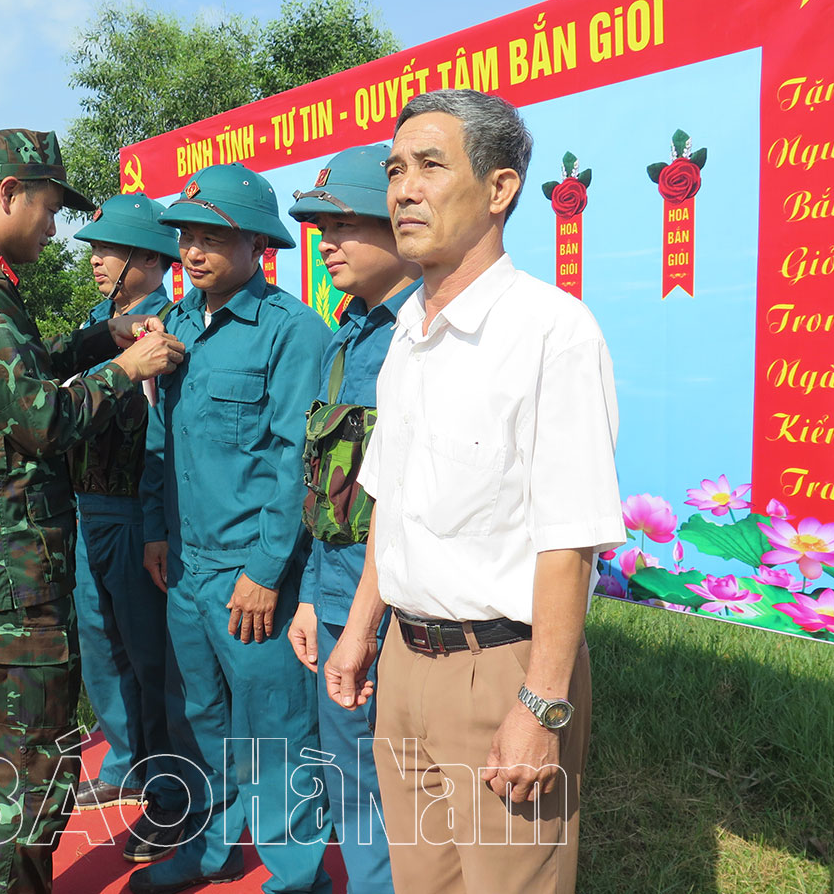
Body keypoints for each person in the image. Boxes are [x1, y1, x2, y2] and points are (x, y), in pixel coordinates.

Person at [323, 90, 625, 894]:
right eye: (394, 169)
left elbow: (570, 539)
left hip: (502, 672)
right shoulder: (407, 337)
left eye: (429, 166)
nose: (403, 190)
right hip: (406, 667)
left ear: (499, 190)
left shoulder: (551, 333)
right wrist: (360, 632)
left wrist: (543, 705)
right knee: (423, 884)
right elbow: (394, 502)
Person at [0, 128, 184, 894]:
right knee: (20, 768)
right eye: (51, 208)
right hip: (5, 576)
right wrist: (127, 366)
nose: (55, 230)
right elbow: (39, 420)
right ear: (10, 193)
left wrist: (99, 337)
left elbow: (7, 377)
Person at [134, 163, 332, 894]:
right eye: (186, 234)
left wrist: (266, 569)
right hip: (184, 566)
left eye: (213, 236)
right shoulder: (176, 326)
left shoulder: (292, 332)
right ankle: (211, 852)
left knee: (276, 731)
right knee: (201, 721)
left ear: (257, 244)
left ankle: (298, 876)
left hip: (251, 572)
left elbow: (295, 463)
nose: (193, 250)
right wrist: (156, 529)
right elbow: (161, 440)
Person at [285, 144, 421, 894]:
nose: (326, 241)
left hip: (412, 610)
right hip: (339, 594)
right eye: (318, 224)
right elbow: (326, 483)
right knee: (351, 776)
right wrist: (310, 591)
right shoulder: (348, 334)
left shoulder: (427, 331)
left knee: (415, 787)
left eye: (344, 224)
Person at [67, 194, 187, 862]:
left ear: (149, 257)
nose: (96, 261)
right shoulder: (95, 326)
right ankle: (125, 762)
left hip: (137, 508)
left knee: (149, 654)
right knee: (99, 645)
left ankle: (170, 790)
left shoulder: (170, 326)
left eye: (108, 250)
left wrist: (152, 521)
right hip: (86, 504)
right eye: (92, 249)